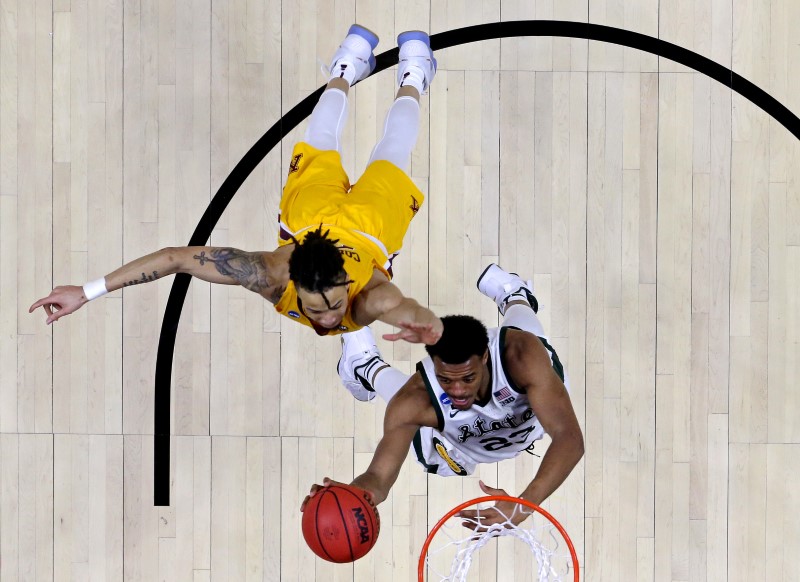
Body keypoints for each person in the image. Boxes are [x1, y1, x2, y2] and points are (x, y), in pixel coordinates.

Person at [29, 25, 443, 345]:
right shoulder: (267, 274)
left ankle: (376, 68)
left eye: (333, 304)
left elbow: (404, 307)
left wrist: (428, 327)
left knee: (349, 144)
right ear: (291, 283)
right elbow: (175, 257)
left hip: (335, 222)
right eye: (317, 310)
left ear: (348, 286)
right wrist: (85, 292)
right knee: (383, 151)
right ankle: (390, 69)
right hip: (365, 225)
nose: (330, 317)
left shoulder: (365, 298)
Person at [303, 265, 584, 528]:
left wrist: (523, 506)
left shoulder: (521, 356)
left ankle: (516, 295)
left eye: (468, 378)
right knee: (417, 423)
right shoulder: (415, 398)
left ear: (485, 357)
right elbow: (378, 478)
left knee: (526, 328)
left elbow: (569, 438)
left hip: (534, 417)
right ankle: (365, 366)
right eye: (446, 379)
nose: (458, 390)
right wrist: (351, 497)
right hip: (465, 444)